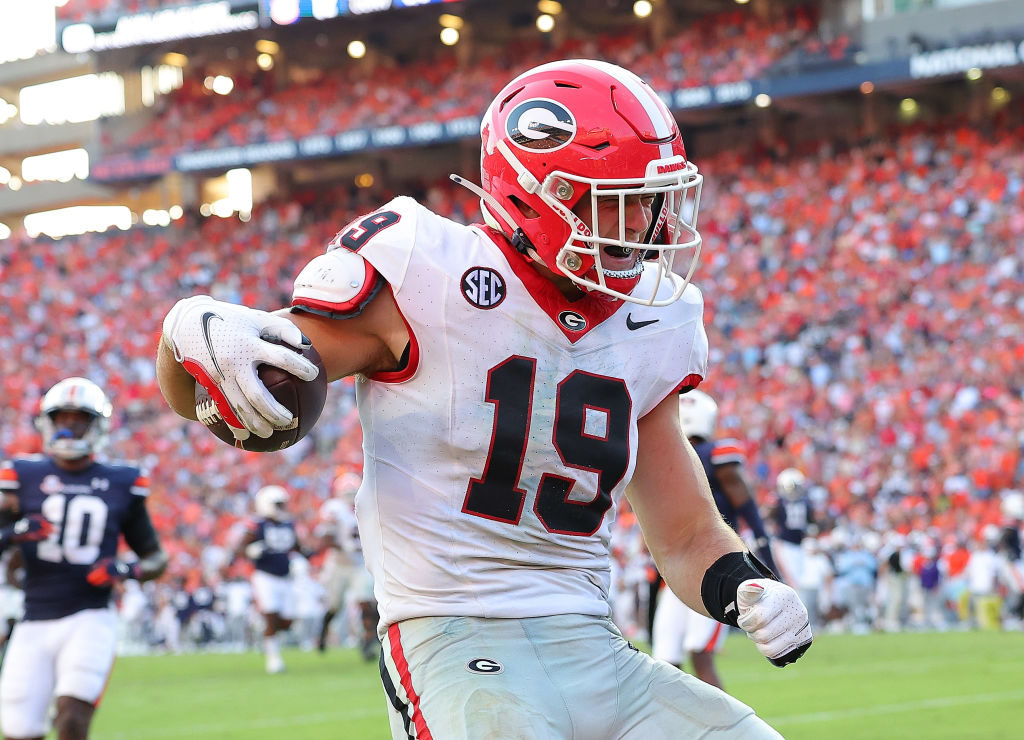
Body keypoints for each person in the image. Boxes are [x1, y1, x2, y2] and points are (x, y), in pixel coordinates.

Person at [157, 59, 812, 738]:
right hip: (452, 641)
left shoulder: (654, 319)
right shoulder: (424, 266)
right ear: (537, 193)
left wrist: (743, 585)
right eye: (617, 200)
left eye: (650, 200)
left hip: (595, 648)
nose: (645, 224)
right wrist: (183, 340)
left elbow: (684, 538)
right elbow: (245, 385)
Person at [0, 377, 169, 740]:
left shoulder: (122, 481)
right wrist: (11, 534)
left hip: (90, 616)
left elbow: (156, 557)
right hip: (33, 619)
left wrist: (125, 569)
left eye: (80, 419)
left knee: (72, 717)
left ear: (98, 426)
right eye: (63, 418)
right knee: (19, 731)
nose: (70, 426)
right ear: (48, 423)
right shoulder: (21, 476)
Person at [651, 389, 780, 690]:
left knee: (698, 654)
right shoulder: (669, 456)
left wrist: (766, 557)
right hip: (678, 571)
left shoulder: (705, 456)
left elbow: (745, 505)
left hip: (710, 569)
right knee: (667, 660)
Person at [234, 484, 302, 674]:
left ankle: (261, 628)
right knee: (271, 616)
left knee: (287, 622)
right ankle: (273, 659)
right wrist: (250, 550)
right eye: (278, 504)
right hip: (265, 576)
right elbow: (239, 548)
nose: (282, 508)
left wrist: (303, 558)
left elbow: (298, 547)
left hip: (286, 577)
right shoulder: (256, 524)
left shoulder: (289, 524)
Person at [315, 472, 379, 660]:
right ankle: (323, 632)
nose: (351, 498)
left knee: (366, 603)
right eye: (347, 493)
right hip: (338, 564)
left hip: (360, 563)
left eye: (353, 493)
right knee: (335, 605)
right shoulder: (334, 509)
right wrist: (343, 545)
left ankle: (368, 643)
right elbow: (325, 539)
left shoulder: (369, 507)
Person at [769, 468, 817, 585]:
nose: (792, 492)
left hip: (800, 544)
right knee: (791, 577)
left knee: (801, 578)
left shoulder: (782, 502)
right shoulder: (779, 503)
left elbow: (812, 525)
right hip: (786, 544)